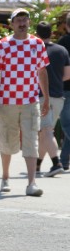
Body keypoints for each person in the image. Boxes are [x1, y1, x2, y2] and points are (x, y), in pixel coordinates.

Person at [0, 8, 50, 196]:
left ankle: (31, 183)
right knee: (7, 140)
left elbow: (42, 71)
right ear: (12, 23)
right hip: (7, 101)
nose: (22, 23)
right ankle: (5, 177)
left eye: (25, 19)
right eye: (18, 20)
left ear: (29, 23)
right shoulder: (3, 45)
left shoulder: (37, 43)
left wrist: (45, 97)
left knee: (32, 140)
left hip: (30, 100)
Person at [34, 21, 70, 177]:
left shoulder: (34, 50)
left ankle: (56, 163)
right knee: (45, 132)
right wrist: (55, 81)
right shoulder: (62, 50)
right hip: (59, 97)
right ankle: (37, 166)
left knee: (46, 131)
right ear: (52, 33)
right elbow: (67, 75)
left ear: (36, 34)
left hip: (42, 97)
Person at [56, 13, 70, 171]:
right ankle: (64, 160)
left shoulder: (62, 43)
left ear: (66, 25)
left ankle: (64, 160)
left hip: (65, 88)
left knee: (66, 124)